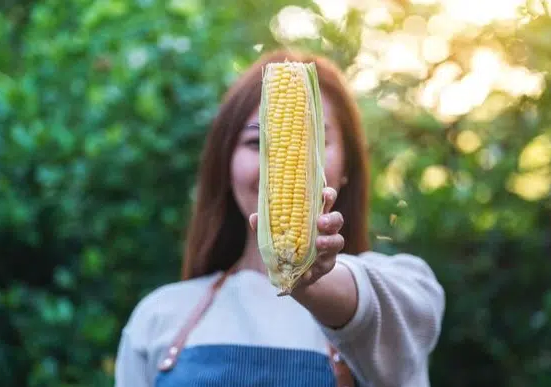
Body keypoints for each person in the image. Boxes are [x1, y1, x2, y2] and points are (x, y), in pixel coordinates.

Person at [114, 49, 445, 387]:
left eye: (312, 140)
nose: (275, 164)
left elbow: (377, 311)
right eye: (256, 141)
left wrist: (311, 279)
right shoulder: (159, 317)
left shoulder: (404, 295)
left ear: (347, 167)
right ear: (225, 164)